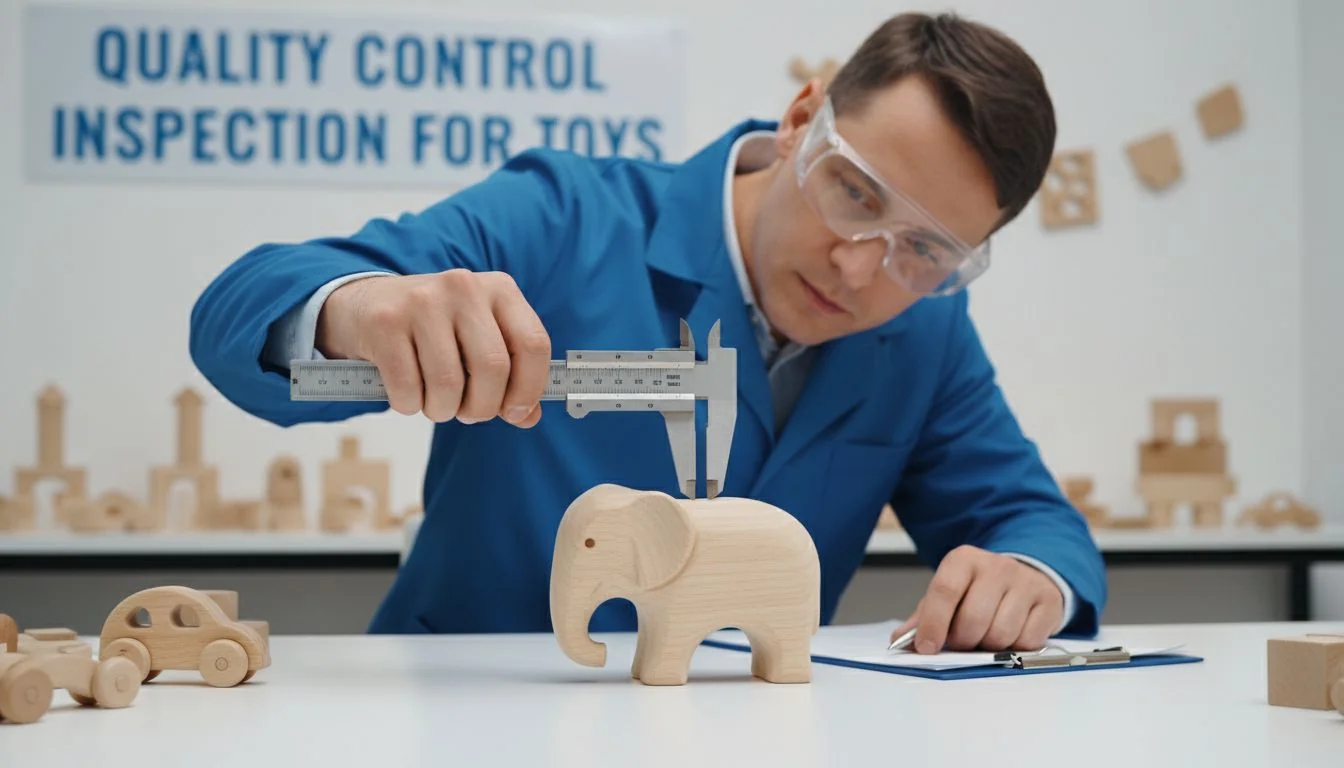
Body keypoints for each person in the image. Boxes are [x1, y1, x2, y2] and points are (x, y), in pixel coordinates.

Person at [189, 11, 1106, 654]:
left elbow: (1033, 523)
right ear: (800, 122)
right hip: (464, 724)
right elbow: (241, 307)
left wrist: (1028, 576)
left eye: (924, 248)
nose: (859, 268)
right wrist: (354, 310)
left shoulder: (928, 330)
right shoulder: (566, 218)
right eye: (855, 193)